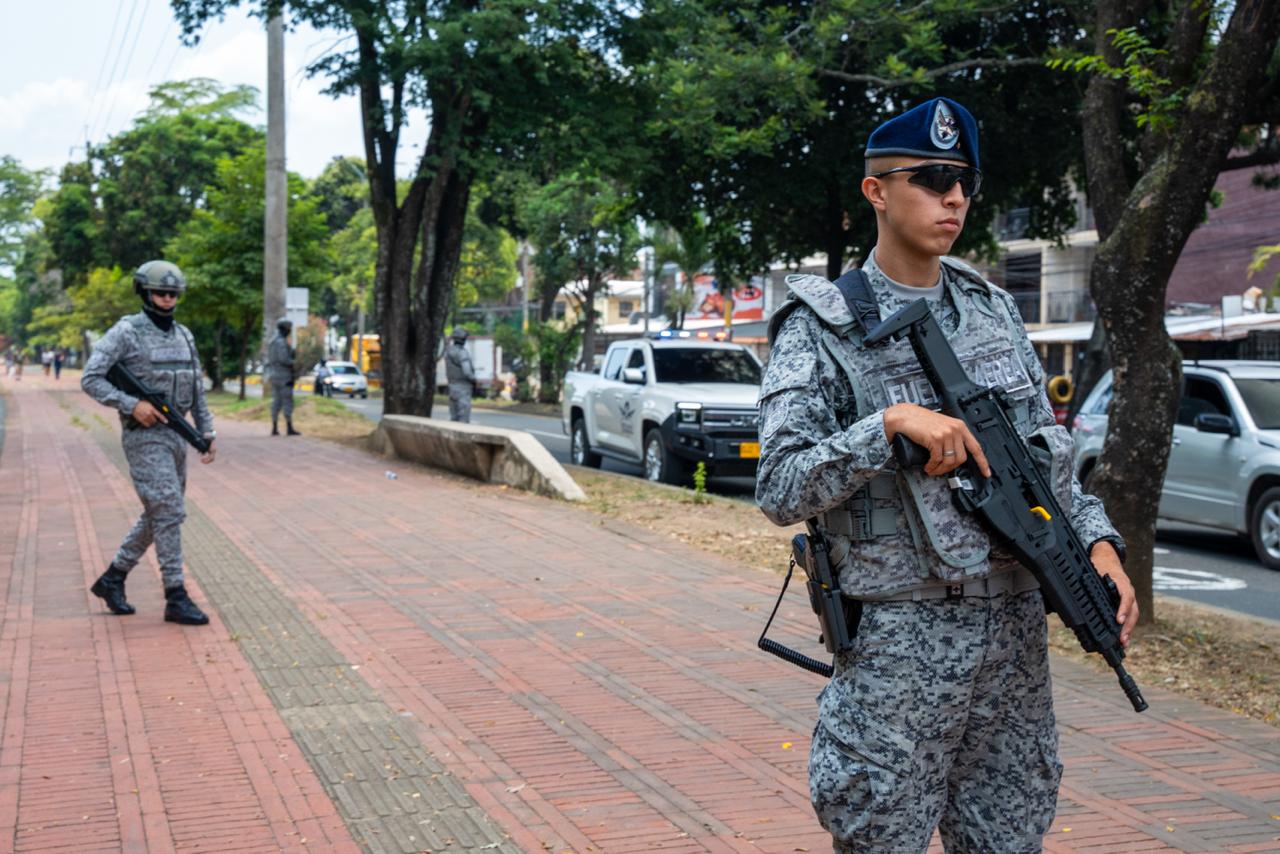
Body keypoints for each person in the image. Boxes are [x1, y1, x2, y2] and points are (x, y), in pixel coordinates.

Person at [755, 97, 1136, 852]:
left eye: (964, 181)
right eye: (931, 179)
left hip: (1014, 640)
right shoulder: (819, 327)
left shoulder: (993, 310)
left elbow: (1049, 463)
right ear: (876, 191)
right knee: (880, 835)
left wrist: (1100, 545)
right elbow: (780, 485)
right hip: (899, 647)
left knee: (1010, 837)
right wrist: (886, 427)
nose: (953, 197)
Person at [81, 260, 215, 626]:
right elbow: (91, 378)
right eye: (160, 292)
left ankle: (113, 578)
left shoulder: (185, 335)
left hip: (178, 433)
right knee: (169, 508)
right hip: (144, 436)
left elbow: (197, 388)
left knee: (160, 511)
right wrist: (131, 404)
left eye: (173, 293)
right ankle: (175, 595)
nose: (168, 299)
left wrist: (207, 432)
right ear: (144, 292)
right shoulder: (126, 332)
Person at [266, 316, 300, 436]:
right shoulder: (280, 342)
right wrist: (293, 361)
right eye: (288, 328)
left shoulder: (272, 341)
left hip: (274, 375)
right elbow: (284, 359)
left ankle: (274, 427)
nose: (289, 331)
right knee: (287, 401)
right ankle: (289, 427)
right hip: (284, 375)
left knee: (276, 401)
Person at [444, 328, 475, 423]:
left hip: (452, 387)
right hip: (463, 388)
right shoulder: (462, 353)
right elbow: (467, 372)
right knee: (463, 419)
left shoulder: (448, 351)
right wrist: (474, 380)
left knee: (454, 418)